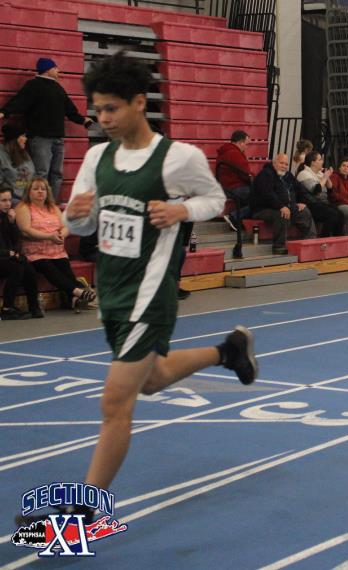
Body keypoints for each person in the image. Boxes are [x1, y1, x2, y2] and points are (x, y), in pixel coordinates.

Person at [41, 52, 255, 521]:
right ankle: (228, 351)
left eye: (112, 108)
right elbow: (81, 224)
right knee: (153, 380)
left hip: (151, 291)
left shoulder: (178, 158)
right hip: (113, 290)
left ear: (139, 102)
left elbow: (215, 199)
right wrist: (74, 215)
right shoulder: (97, 157)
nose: (103, 119)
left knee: (115, 401)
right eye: (98, 109)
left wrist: (181, 210)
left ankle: (82, 515)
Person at [0, 57, 94, 201]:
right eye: (55, 68)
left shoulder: (58, 88)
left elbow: (70, 110)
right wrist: (5, 111)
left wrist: (82, 120)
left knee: (56, 173)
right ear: (47, 70)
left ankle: (51, 204)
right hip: (40, 137)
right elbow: (20, 101)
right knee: (41, 173)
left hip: (57, 138)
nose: (58, 70)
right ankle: (38, 205)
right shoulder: (33, 85)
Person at [15, 177, 94, 311]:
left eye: (43, 189)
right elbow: (26, 230)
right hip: (35, 252)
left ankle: (73, 298)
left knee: (64, 266)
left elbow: (65, 226)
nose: (40, 191)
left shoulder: (53, 207)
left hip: (55, 250)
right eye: (36, 189)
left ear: (48, 192)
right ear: (28, 192)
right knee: (48, 268)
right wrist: (49, 236)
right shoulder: (23, 207)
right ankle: (77, 291)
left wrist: (61, 235)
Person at [250, 153, 317, 255]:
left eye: (286, 164)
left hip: (286, 206)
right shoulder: (266, 174)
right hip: (262, 209)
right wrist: (281, 206)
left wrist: (302, 202)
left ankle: (310, 241)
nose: (284, 166)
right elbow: (268, 194)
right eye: (281, 163)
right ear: (274, 163)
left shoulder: (288, 175)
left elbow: (300, 189)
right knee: (281, 214)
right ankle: (279, 246)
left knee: (304, 212)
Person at [0, 185, 43, 319]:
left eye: (9, 200)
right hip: (3, 257)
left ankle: (34, 306)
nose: (8, 204)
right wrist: (8, 254)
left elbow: (16, 241)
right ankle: (7, 308)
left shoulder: (7, 217)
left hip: (6, 257)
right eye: (3, 201)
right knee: (16, 268)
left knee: (28, 267)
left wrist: (12, 223)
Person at [295, 151, 345, 237]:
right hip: (311, 204)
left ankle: (337, 240)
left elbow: (330, 189)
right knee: (332, 214)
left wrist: (327, 176)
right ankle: (324, 239)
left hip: (322, 203)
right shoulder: (304, 174)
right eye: (320, 159)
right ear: (313, 162)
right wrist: (325, 177)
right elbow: (316, 190)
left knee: (340, 214)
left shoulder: (318, 173)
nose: (322, 161)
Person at [215, 130, 253, 230]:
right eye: (247, 144)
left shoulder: (226, 152)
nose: (247, 147)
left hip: (226, 187)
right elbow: (246, 174)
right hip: (234, 188)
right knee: (262, 197)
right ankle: (234, 217)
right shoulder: (234, 154)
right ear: (240, 142)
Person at [0, 122, 35, 205]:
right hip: (10, 201)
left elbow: (33, 177)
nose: (26, 139)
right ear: (14, 139)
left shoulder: (25, 154)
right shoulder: (2, 155)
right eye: (23, 136)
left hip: (29, 199)